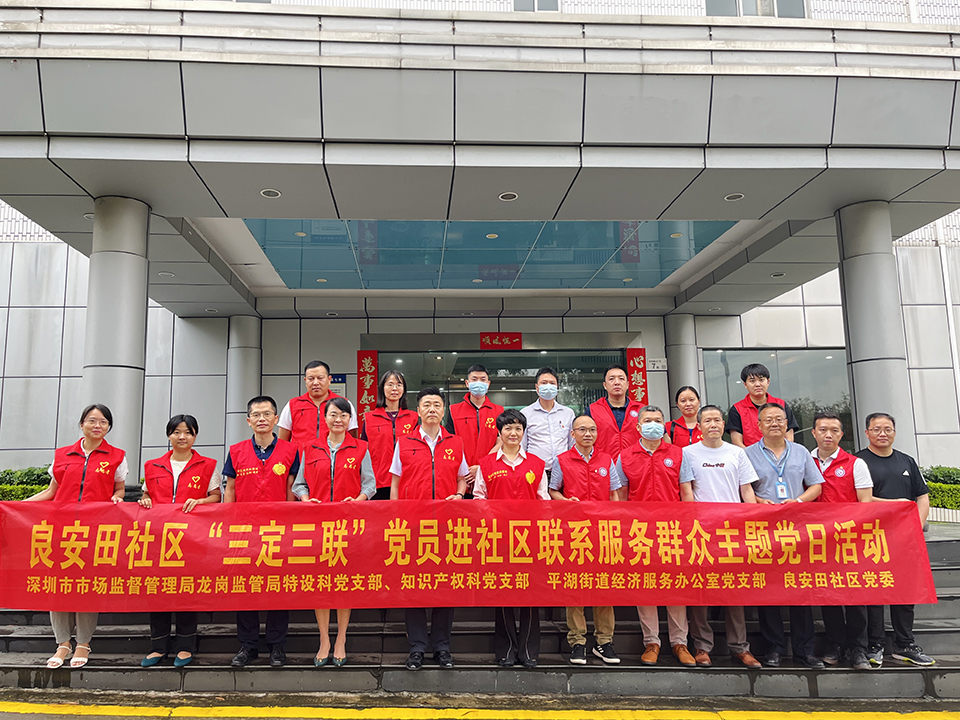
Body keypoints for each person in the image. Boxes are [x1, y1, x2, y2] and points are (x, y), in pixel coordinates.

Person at [25, 403, 127, 669]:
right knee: (58, 585)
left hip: (94, 532)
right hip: (60, 531)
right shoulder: (62, 455)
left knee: (87, 585)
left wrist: (117, 498)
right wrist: (17, 506)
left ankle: (83, 642)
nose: (97, 425)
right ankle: (62, 643)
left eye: (103, 422)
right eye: (92, 420)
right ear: (81, 424)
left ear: (109, 427)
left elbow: (119, 489)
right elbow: (51, 492)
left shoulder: (117, 456)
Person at [389, 387, 470, 670]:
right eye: (427, 404)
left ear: (443, 410)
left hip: (447, 526)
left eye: (437, 404)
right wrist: (395, 518)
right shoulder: (404, 442)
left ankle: (442, 647)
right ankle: (417, 647)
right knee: (414, 586)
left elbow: (462, 478)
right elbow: (395, 483)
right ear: (418, 411)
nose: (432, 409)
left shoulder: (456, 443)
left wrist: (459, 495)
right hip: (413, 526)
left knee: (445, 586)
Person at [678, 405, 762, 669]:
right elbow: (686, 490)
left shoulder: (737, 452)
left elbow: (746, 490)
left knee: (733, 589)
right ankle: (702, 646)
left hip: (732, 529)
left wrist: (752, 520)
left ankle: (740, 647)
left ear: (724, 424)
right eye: (707, 421)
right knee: (701, 589)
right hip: (701, 530)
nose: (712, 424)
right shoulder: (687, 453)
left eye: (717, 420)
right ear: (699, 426)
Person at [294, 397, 375, 667]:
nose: (338, 419)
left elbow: (370, 484)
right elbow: (299, 484)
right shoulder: (310, 447)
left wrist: (359, 500)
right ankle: (323, 639)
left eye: (343, 415)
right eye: (333, 414)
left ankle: (340, 638)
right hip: (317, 526)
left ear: (350, 420)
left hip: (348, 526)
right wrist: (306, 499)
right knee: (320, 582)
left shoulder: (361, 447)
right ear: (325, 418)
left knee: (343, 581)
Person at [139, 414, 222, 668]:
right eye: (176, 432)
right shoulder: (152, 465)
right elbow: (146, 494)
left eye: (187, 432)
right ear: (169, 435)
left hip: (192, 539)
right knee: (158, 591)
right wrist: (145, 500)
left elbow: (216, 496)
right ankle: (158, 647)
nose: (182, 437)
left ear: (195, 436)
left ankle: (185, 646)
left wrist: (200, 501)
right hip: (158, 538)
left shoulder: (208, 465)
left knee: (187, 590)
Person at [615, 405, 695, 668]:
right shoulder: (625, 456)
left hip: (673, 530)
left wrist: (689, 526)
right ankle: (652, 642)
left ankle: (679, 642)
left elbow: (686, 492)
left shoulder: (678, 454)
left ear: (664, 425)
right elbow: (621, 497)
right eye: (648, 421)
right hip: (640, 531)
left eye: (658, 421)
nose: (653, 425)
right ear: (638, 427)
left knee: (675, 586)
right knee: (646, 585)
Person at [745, 403, 824, 669]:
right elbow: (743, 488)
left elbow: (816, 486)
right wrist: (759, 502)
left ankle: (805, 651)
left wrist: (798, 501)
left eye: (779, 419)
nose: (774, 423)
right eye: (768, 419)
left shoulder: (800, 452)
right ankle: (774, 649)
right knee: (769, 590)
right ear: (759, 425)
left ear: (787, 423)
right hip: (763, 530)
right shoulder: (747, 454)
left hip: (797, 529)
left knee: (800, 589)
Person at [223, 396, 300, 668]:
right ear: (248, 421)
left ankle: (277, 645)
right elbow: (230, 490)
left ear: (276, 419)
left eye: (267, 414)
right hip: (243, 529)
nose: (262, 419)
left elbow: (291, 489)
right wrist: (227, 526)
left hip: (278, 530)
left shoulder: (291, 451)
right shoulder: (236, 451)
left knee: (278, 587)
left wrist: (290, 526)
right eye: (256, 414)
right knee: (244, 587)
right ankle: (248, 645)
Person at [857, 412, 934, 667]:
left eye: (887, 429)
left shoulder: (907, 461)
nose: (882, 433)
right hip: (872, 538)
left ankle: (904, 644)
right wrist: (895, 505)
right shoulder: (858, 462)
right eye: (876, 429)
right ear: (867, 432)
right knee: (874, 591)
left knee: (905, 591)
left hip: (905, 538)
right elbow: (861, 498)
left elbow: (922, 496)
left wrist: (916, 526)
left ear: (894, 432)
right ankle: (875, 644)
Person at [474, 409, 548, 668]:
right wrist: (492, 523)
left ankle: (528, 651)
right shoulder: (486, 464)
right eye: (508, 428)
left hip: (530, 539)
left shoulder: (536, 464)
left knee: (530, 594)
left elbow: (543, 500)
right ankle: (505, 650)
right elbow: (479, 499)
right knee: (503, 592)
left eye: (518, 428)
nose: (513, 433)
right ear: (500, 432)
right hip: (499, 538)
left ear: (523, 432)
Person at [550, 415, 622, 666]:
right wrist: (565, 502)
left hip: (603, 531)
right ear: (573, 434)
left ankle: (604, 642)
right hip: (575, 532)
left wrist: (615, 519)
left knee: (604, 587)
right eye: (582, 429)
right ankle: (577, 642)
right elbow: (553, 490)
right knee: (576, 587)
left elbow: (614, 492)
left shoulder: (606, 460)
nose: (588, 434)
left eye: (592, 429)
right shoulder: (562, 460)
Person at [810, 412, 872, 671]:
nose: (828, 435)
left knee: (855, 595)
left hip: (848, 540)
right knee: (828, 595)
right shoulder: (806, 461)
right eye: (823, 429)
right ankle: (836, 644)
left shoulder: (855, 464)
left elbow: (865, 503)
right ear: (813, 433)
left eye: (834, 430)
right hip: (816, 541)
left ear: (841, 435)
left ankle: (859, 648)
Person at [445, 364, 503, 494]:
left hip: (490, 474)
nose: (478, 383)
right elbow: (450, 443)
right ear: (467, 383)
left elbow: (501, 442)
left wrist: (482, 467)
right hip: (462, 477)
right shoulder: (454, 411)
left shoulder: (498, 411)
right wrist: (465, 470)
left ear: (488, 384)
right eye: (474, 379)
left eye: (483, 379)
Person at [360, 370, 418, 500]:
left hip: (406, 481)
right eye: (390, 384)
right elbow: (363, 451)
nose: (394, 388)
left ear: (404, 389)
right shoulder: (370, 418)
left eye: (399, 384)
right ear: (382, 388)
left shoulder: (413, 418)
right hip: (377, 482)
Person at [278, 360, 358, 450]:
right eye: (311, 379)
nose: (315, 383)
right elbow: (283, 441)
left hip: (334, 457)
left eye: (320, 378)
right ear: (305, 380)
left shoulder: (344, 404)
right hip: (301, 457)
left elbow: (353, 439)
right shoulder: (293, 405)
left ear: (329, 379)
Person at [727, 363, 799, 448]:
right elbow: (737, 442)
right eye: (752, 381)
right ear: (745, 384)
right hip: (750, 455)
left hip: (780, 454)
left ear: (768, 382)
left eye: (761, 380)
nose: (757, 384)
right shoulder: (737, 409)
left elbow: (789, 436)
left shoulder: (781, 405)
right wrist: (754, 455)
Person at [521, 367, 575, 478]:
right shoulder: (526, 413)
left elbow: (572, 444)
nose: (548, 386)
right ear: (537, 387)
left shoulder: (568, 413)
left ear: (557, 387)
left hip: (563, 471)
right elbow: (522, 445)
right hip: (535, 472)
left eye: (552, 383)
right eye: (544, 383)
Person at [587, 363, 643, 462]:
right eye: (611, 379)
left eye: (621, 379)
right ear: (605, 385)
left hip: (636, 464)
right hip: (604, 465)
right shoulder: (592, 410)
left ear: (628, 384)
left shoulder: (641, 410)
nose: (617, 382)